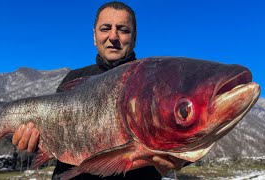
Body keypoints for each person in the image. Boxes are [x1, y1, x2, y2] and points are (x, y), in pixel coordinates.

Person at [12, 1, 183, 179]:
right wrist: (32, 140)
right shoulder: (73, 78)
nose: (113, 36)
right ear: (94, 37)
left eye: (123, 30)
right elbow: (51, 136)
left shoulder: (154, 81)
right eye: (105, 28)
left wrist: (181, 158)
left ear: (134, 38)